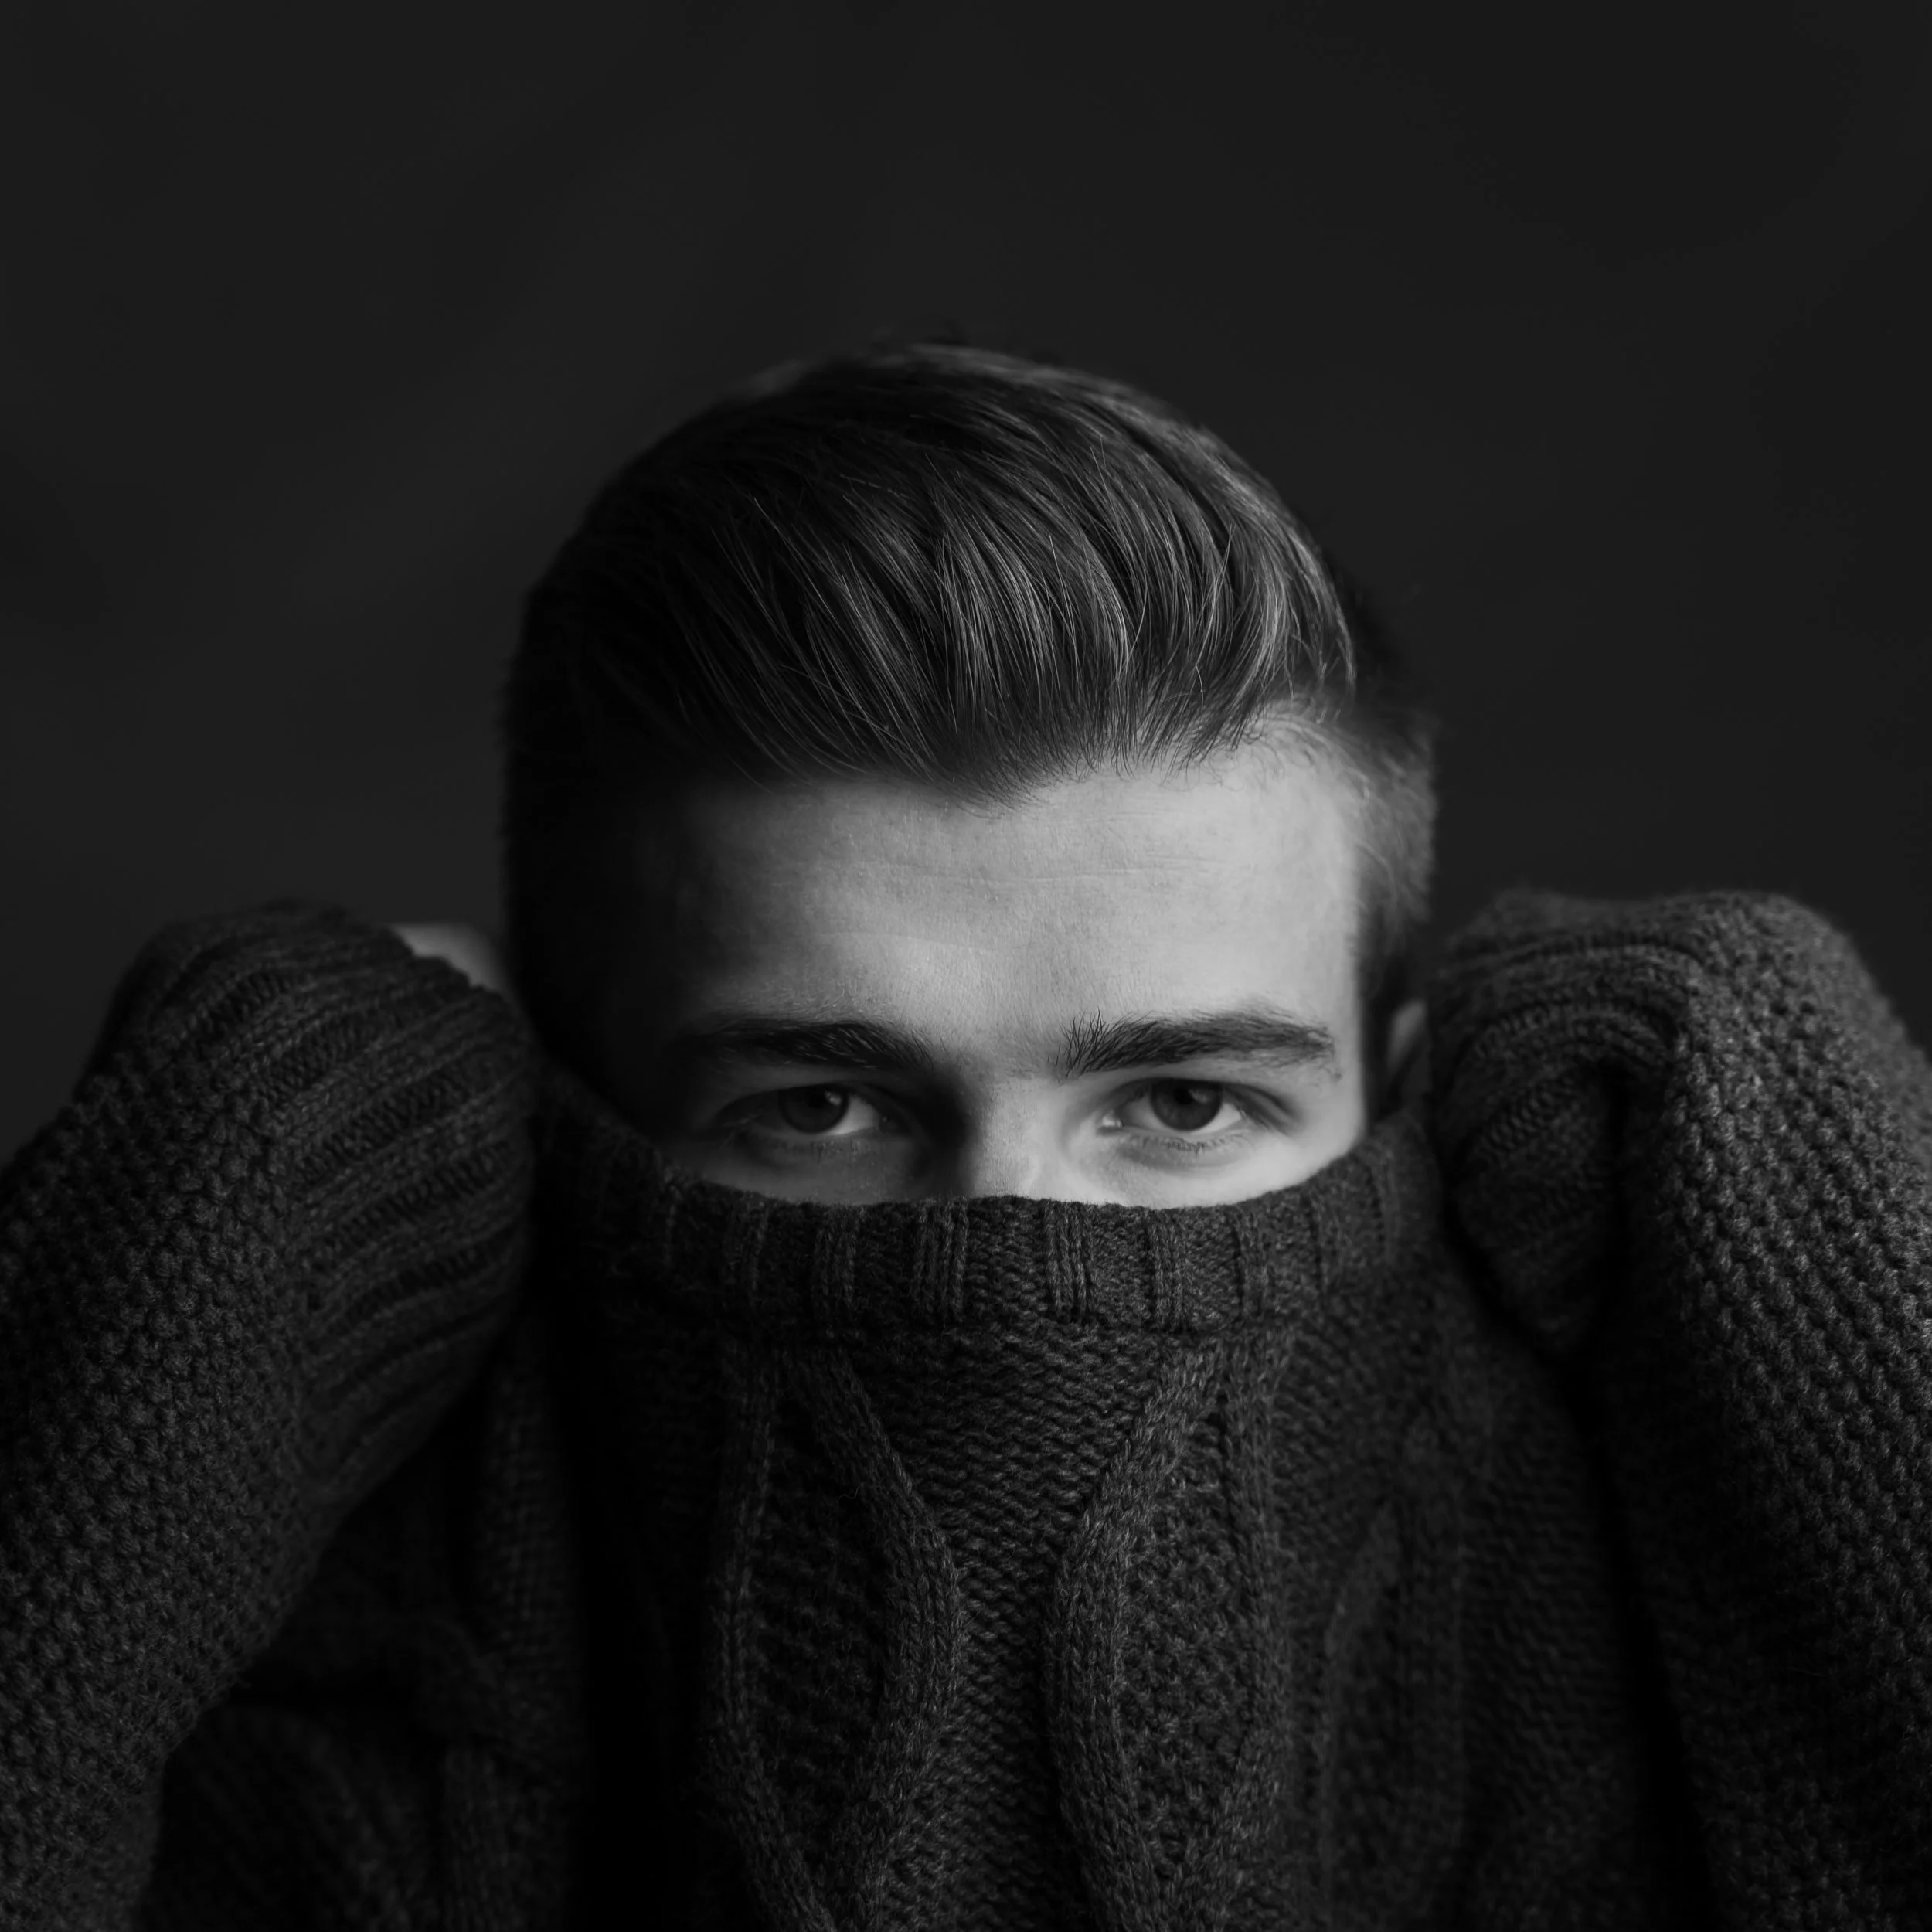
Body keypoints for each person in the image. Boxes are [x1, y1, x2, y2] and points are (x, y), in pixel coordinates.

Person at [3, 342, 1929, 1930]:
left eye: (1183, 1102)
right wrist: (226, 1188)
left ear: (1391, 1088)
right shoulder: (340, 1681)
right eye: (819, 1105)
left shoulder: (1640, 1612)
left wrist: (1806, 1181)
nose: (1008, 1234)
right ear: (543, 1100)